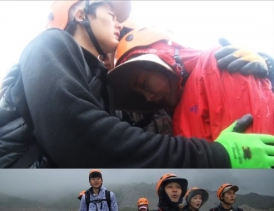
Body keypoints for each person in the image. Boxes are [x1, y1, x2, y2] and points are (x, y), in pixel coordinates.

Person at [0, 2, 274, 169]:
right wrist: (216, 156)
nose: (118, 24)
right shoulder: (50, 44)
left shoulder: (108, 98)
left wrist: (265, 73)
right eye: (111, 14)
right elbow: (82, 136)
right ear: (81, 14)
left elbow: (139, 142)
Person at [108, 26, 274, 162]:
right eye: (140, 94)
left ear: (162, 57)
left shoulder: (215, 64)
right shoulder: (174, 113)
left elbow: (258, 148)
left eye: (144, 84)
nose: (148, 98)